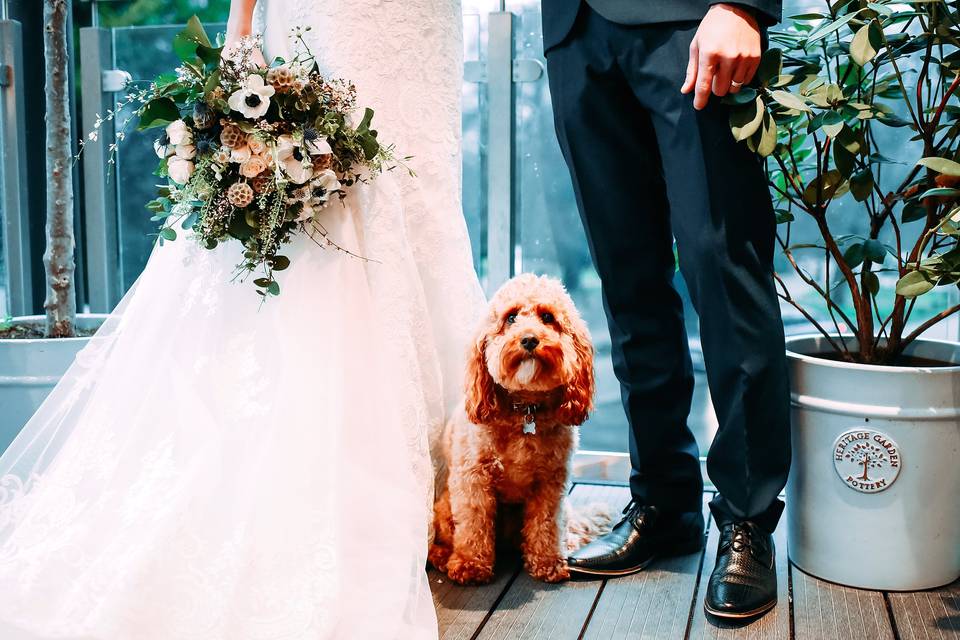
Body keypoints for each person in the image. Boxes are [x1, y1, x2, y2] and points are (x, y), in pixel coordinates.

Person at [0, 0, 484, 637]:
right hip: (332, 16)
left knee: (422, 194)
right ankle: (355, 477)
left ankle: (467, 485)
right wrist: (244, 21)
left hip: (420, 24)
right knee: (344, 190)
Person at [541, 0, 790, 620]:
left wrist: (745, 5)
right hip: (574, 30)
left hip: (693, 21)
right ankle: (664, 502)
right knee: (627, 279)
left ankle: (747, 519)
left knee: (724, 270)